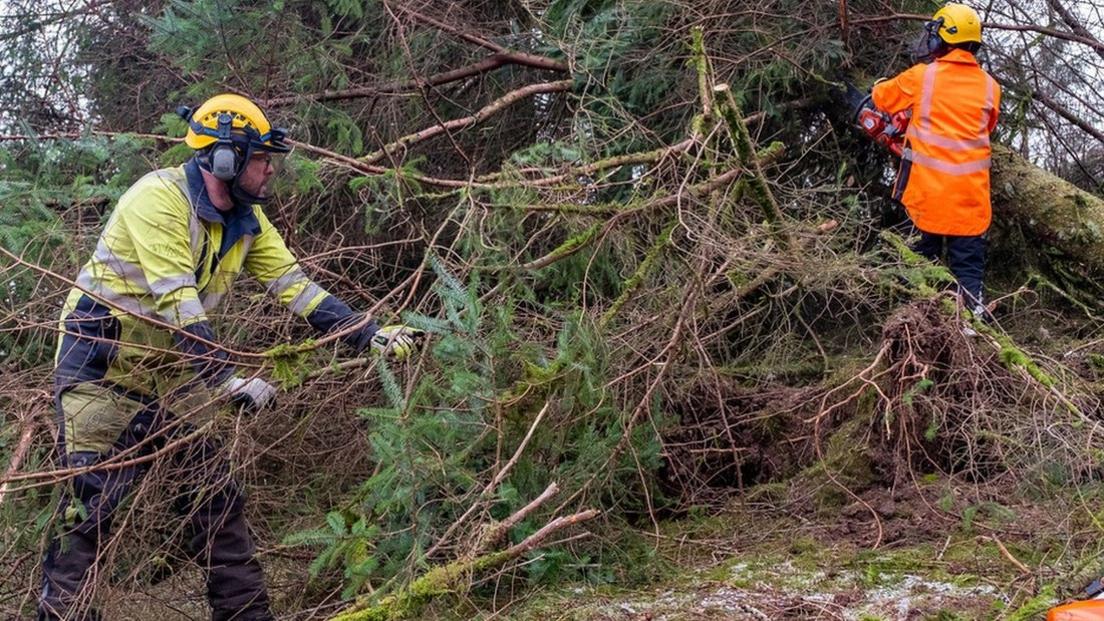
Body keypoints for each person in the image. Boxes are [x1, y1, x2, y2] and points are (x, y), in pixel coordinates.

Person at [38, 93, 423, 620]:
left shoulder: (246, 221)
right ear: (226, 159)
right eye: (263, 160)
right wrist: (224, 380)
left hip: (173, 373)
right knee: (88, 513)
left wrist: (368, 335)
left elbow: (298, 289)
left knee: (217, 498)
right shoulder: (158, 200)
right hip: (102, 367)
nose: (270, 171)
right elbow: (177, 303)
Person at [871, 3, 1001, 316]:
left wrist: (879, 86)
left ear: (942, 38)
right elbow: (988, 125)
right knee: (968, 272)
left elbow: (882, 98)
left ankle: (916, 331)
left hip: (925, 198)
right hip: (970, 200)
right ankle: (971, 328)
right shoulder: (990, 87)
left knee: (918, 269)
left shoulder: (922, 77)